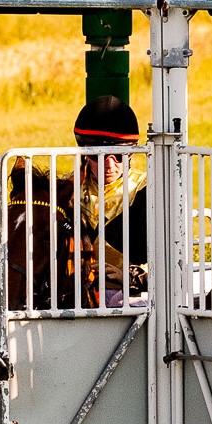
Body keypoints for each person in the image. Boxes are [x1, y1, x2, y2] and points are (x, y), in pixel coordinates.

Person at [72, 96, 148, 305]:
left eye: (118, 156)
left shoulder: (147, 190)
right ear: (85, 154)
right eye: (98, 156)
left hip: (132, 296)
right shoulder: (67, 191)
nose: (109, 164)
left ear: (131, 154)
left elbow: (168, 259)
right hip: (76, 295)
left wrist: (131, 276)